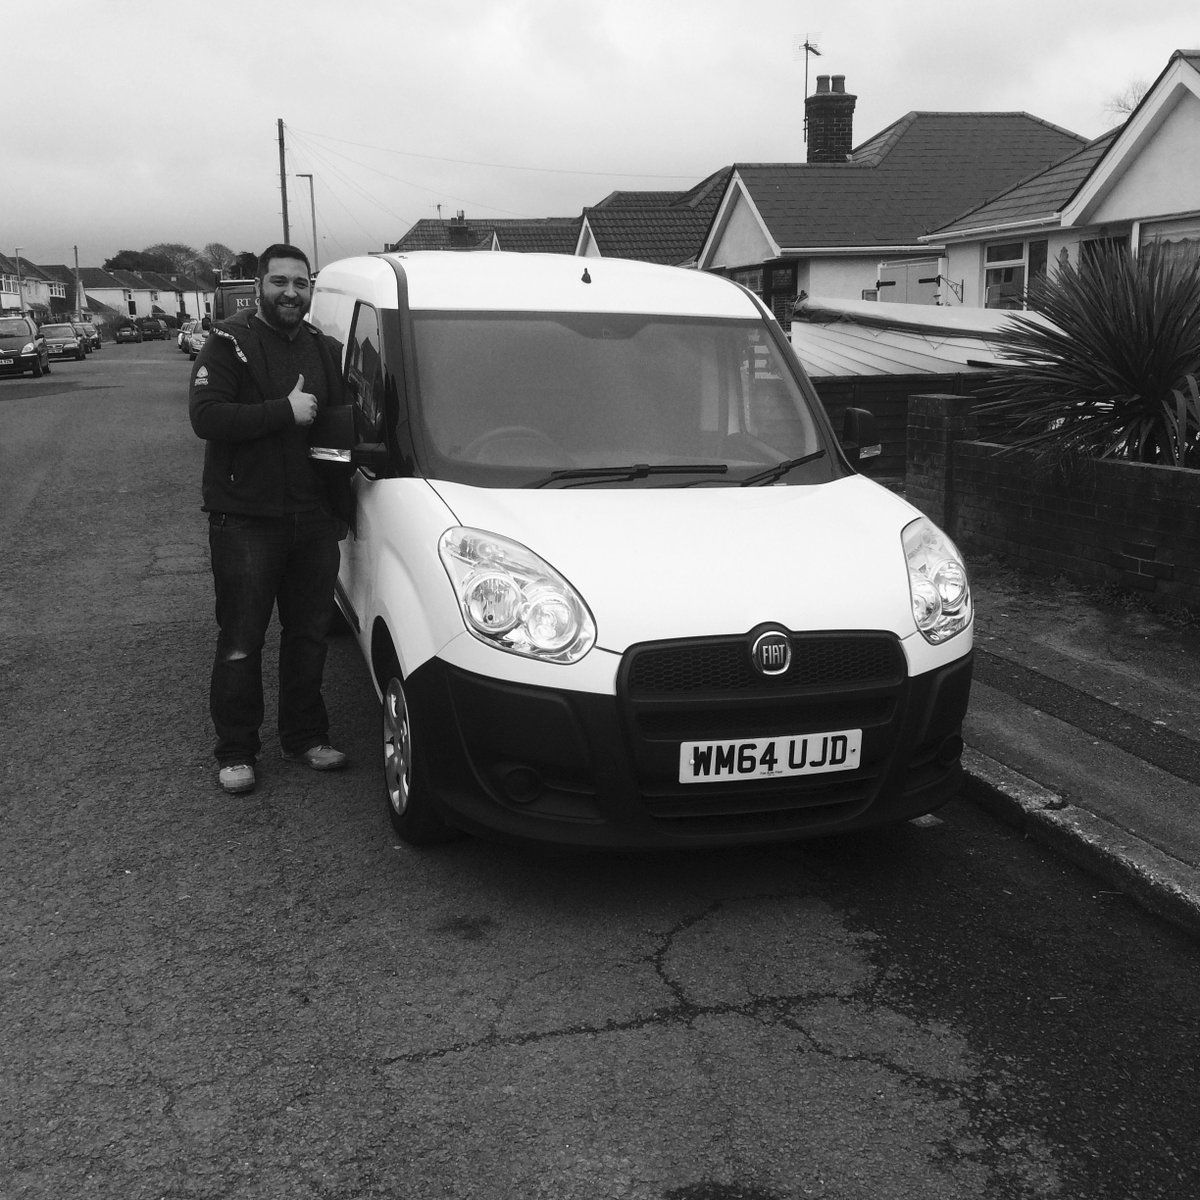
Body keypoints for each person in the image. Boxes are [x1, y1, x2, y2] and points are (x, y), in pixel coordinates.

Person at [189, 243, 350, 795]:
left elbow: (338, 430)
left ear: (311, 289)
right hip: (246, 522)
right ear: (259, 285)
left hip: (313, 520)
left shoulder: (324, 350)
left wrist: (342, 509)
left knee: (308, 637)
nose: (290, 292)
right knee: (241, 639)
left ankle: (304, 737)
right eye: (279, 282)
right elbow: (206, 417)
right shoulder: (229, 342)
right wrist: (285, 411)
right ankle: (236, 750)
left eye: (300, 284)